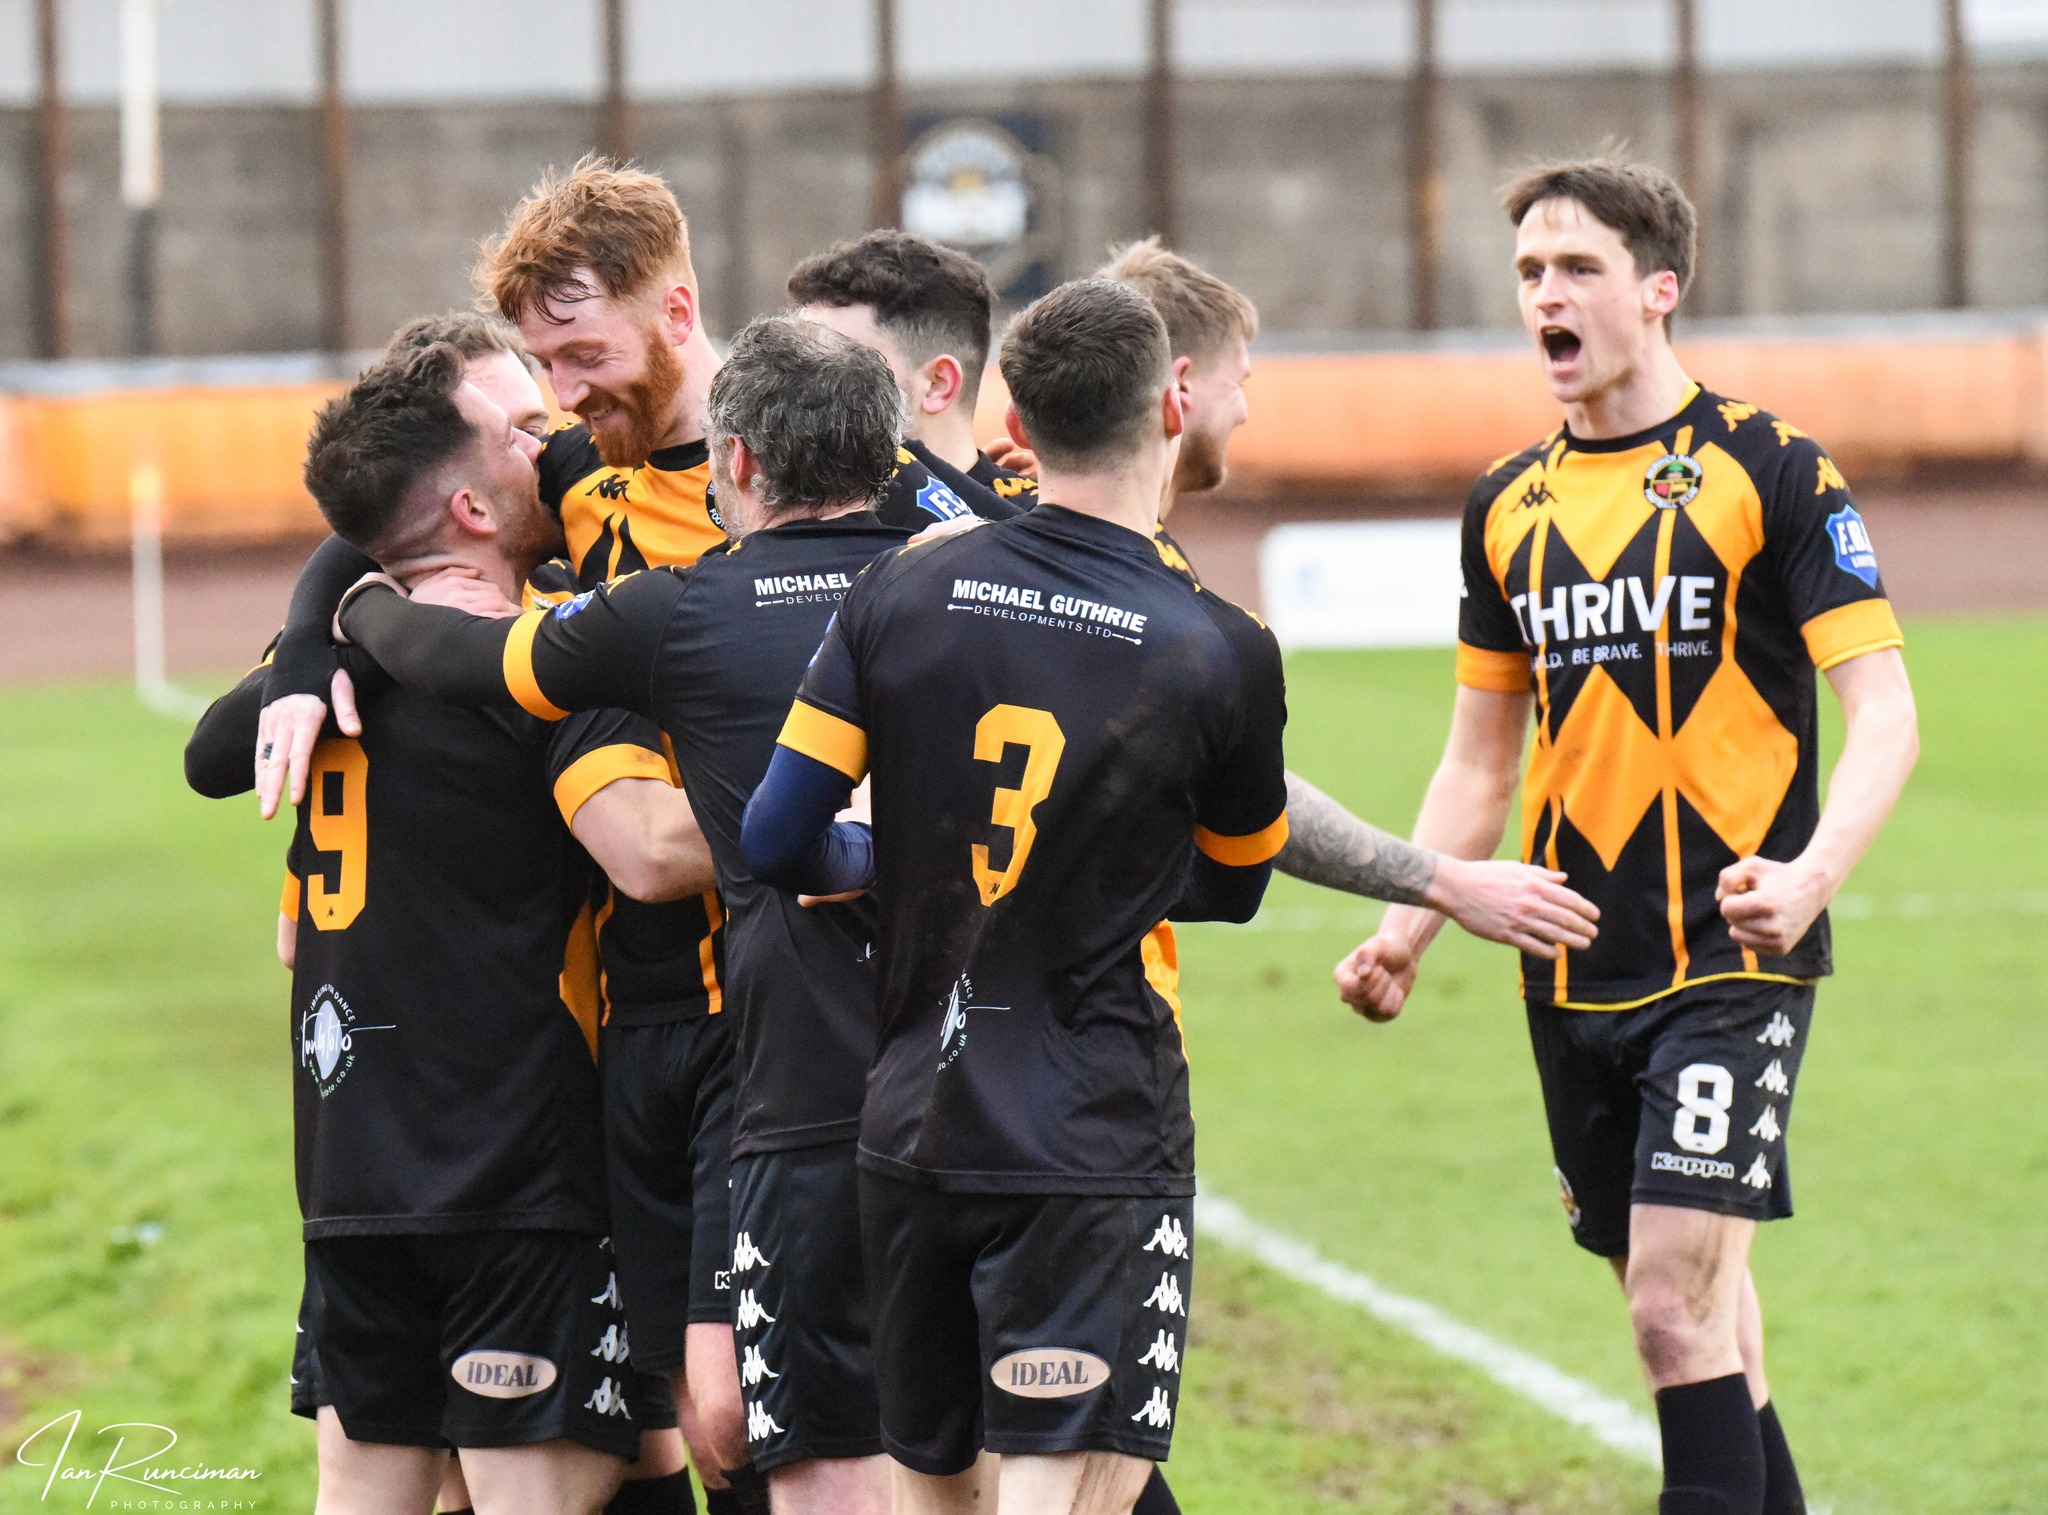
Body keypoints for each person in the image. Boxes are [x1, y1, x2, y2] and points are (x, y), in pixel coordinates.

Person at [1336, 158, 1919, 1515]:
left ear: (1659, 290)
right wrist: (1406, 928)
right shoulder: (1505, 504)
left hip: (1729, 954)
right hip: (1568, 962)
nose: (1546, 294)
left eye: (1578, 268)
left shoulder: (1769, 468)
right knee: (1706, 1327)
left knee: (1669, 1309)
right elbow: (1479, 757)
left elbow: (1885, 712)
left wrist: (1811, 876)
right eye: (1530, 271)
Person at [330, 317, 918, 1515]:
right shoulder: (953, 576)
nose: (555, 408)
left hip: (767, 1057)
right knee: (779, 1417)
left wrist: (351, 613)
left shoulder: (671, 609)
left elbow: (478, 671)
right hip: (921, 1041)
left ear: (736, 461)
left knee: (778, 1422)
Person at [257, 163, 767, 1513]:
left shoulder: (766, 476)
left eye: (579, 361)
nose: (563, 404)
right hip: (569, 1105)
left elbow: (390, 515)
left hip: (411, 1143)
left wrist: (331, 630)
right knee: (683, 1425)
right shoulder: (564, 554)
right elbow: (640, 845)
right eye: (539, 380)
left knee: (688, 1423)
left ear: (678, 311)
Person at [739, 279, 1285, 1515]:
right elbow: (1236, 879)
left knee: (935, 1493)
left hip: (908, 1123)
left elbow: (774, 838)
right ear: (1171, 404)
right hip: (1087, 1134)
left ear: (1017, 427)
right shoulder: (1219, 645)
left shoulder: (900, 588)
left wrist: (879, 864)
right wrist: (1093, 877)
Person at [184, 312, 706, 1515]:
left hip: (351, 1171)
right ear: (470, 507)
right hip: (515, 1166)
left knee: (370, 1491)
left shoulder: (321, 677)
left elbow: (271, 893)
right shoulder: (543, 661)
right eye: (523, 433)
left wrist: (340, 619)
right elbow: (643, 853)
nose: (552, 445)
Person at [788, 229, 1038, 521]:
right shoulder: (773, 520)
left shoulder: (1042, 529)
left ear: (937, 384)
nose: (799, 387)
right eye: (795, 363)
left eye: (839, 366)